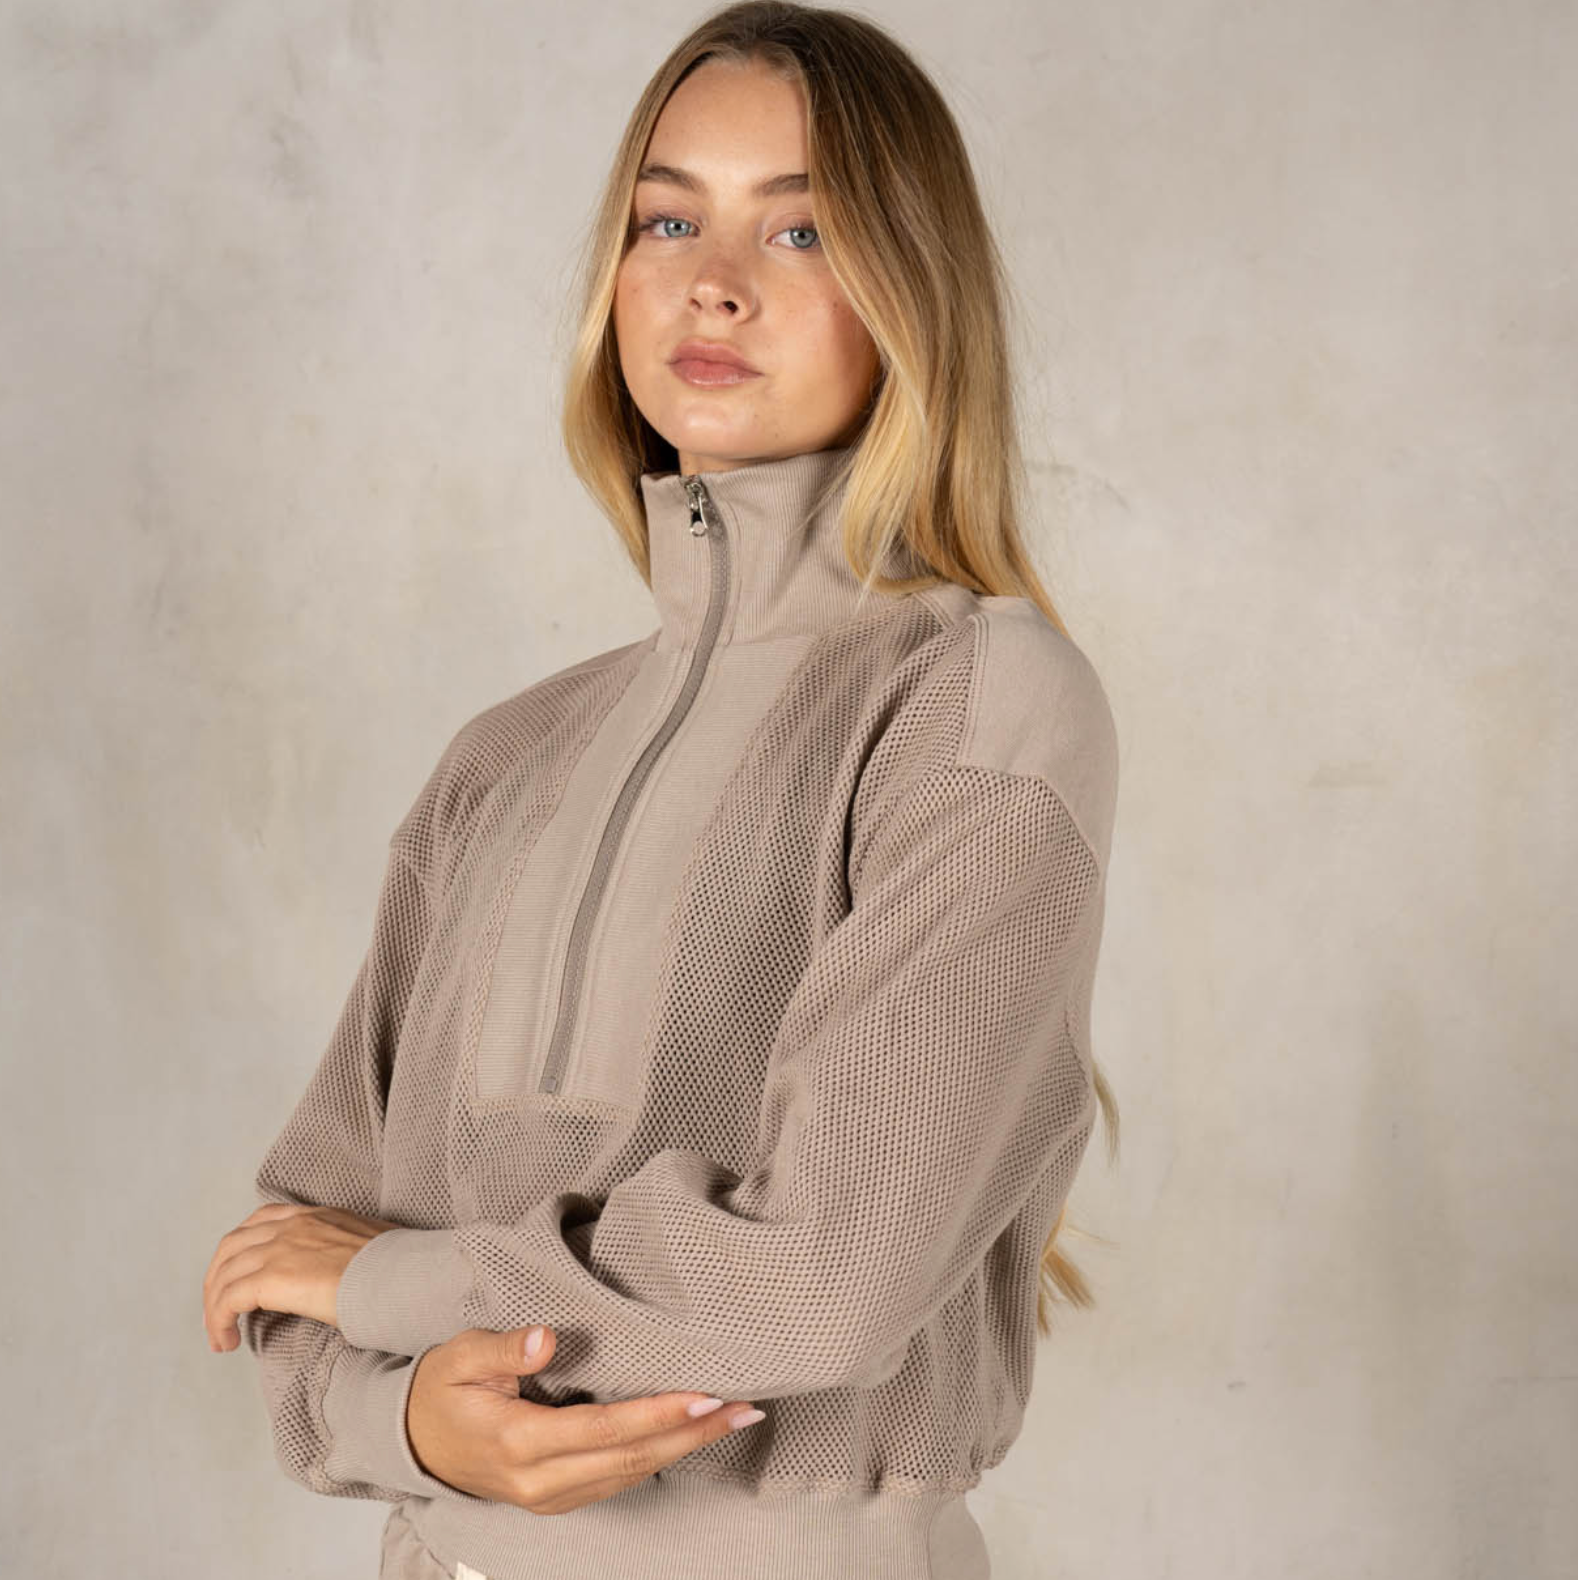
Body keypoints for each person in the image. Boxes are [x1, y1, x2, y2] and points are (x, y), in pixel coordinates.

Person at [201, 4, 1121, 1577]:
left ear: (913, 291)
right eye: (667, 219)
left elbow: (823, 1279)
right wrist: (407, 1426)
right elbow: (285, 1252)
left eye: (802, 229)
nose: (714, 280)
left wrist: (394, 1292)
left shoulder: (975, 702)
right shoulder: (502, 757)